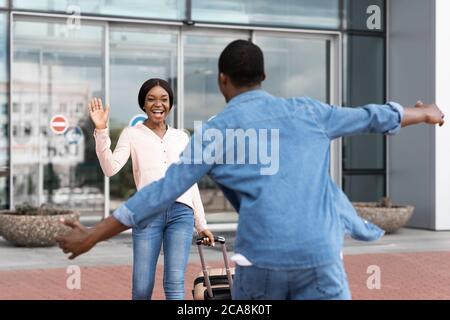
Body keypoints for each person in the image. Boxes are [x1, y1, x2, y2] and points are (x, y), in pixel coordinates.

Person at [56, 40, 445, 300]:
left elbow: (158, 193)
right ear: (263, 78)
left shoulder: (214, 134)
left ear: (222, 80)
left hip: (260, 264)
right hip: (321, 258)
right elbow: (372, 117)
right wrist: (424, 113)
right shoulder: (309, 111)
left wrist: (94, 236)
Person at [81, 78, 214, 300]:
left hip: (181, 213)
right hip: (147, 212)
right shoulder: (132, 134)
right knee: (142, 287)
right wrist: (102, 130)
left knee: (175, 284)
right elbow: (110, 168)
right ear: (143, 104)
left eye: (164, 99)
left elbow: (190, 182)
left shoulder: (182, 137)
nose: (158, 104)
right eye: (151, 99)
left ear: (170, 104)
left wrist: (201, 225)